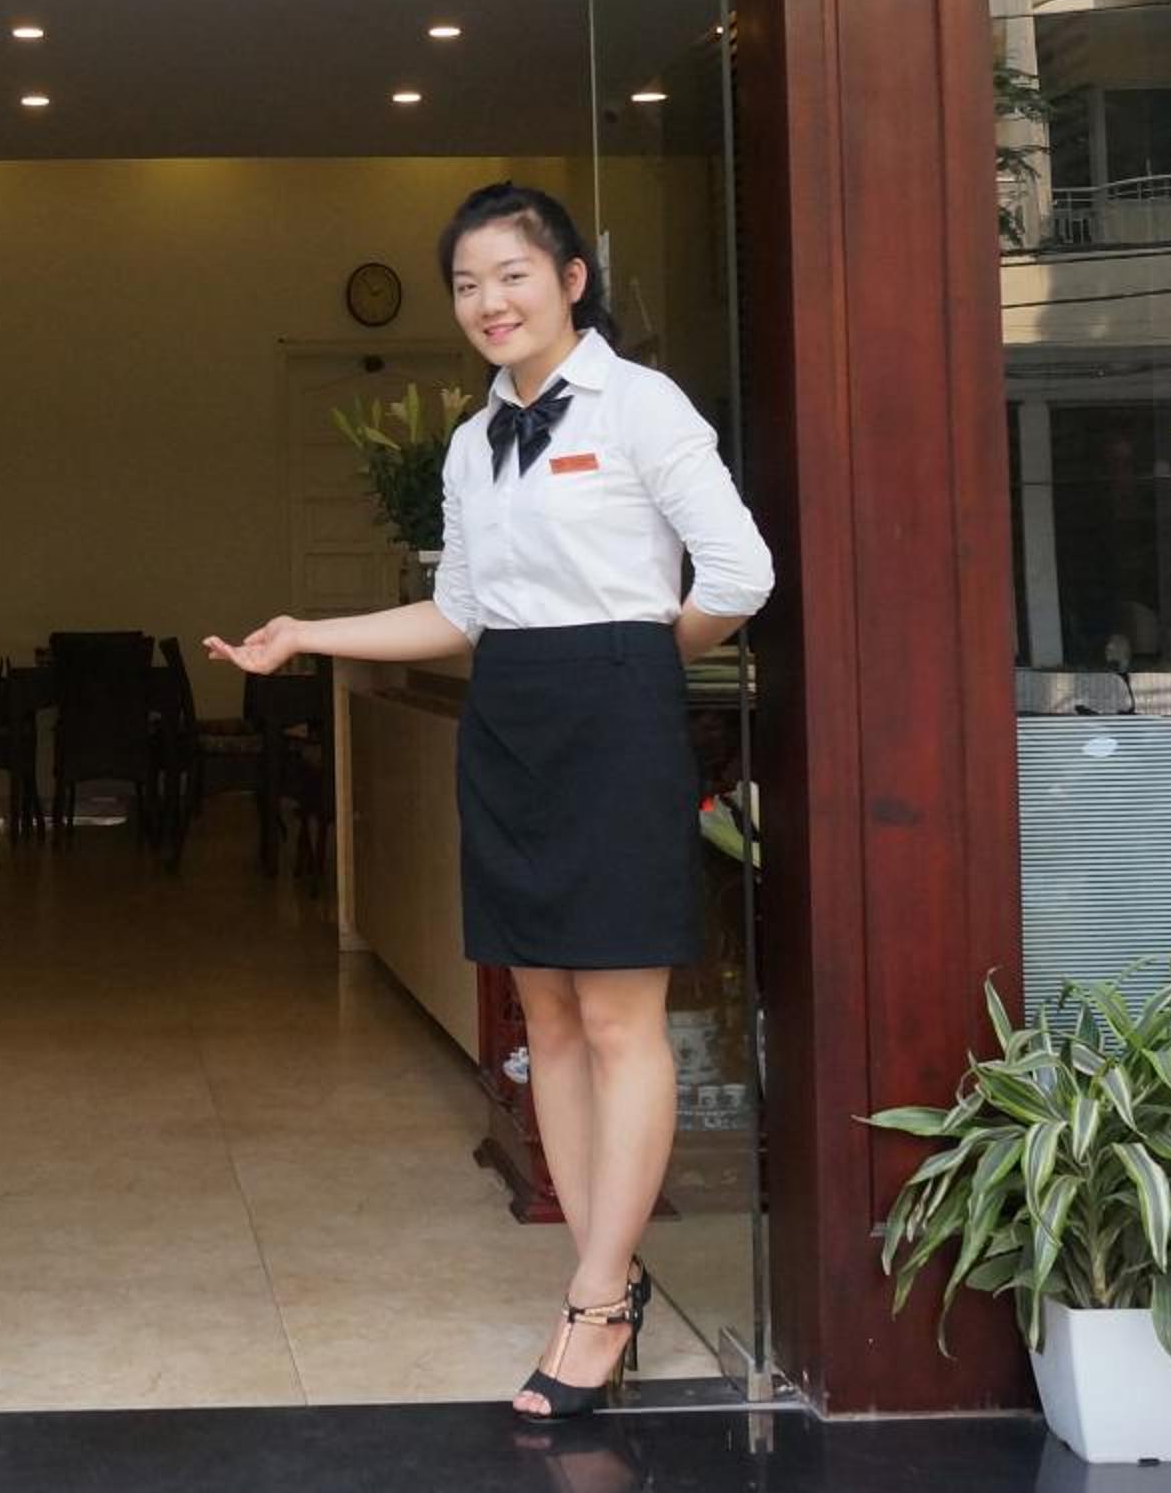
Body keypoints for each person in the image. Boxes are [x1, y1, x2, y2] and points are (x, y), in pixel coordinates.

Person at [207, 180, 771, 1423]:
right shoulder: (474, 442)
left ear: (571, 279)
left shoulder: (642, 404)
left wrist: (634, 659)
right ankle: (600, 1272)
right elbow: (460, 610)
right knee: (547, 1020)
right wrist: (307, 632)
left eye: (512, 274)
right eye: (467, 284)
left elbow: (741, 571)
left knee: (620, 1019)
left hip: (616, 709)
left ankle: (600, 1299)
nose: (488, 301)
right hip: (509, 717)